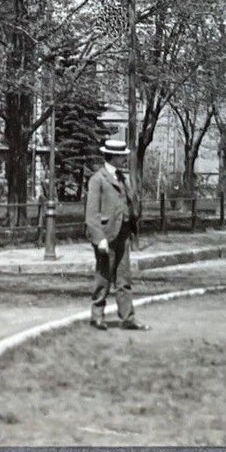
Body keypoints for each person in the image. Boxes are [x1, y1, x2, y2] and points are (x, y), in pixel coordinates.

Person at [85, 134, 147, 332]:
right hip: (106, 235)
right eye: (121, 156)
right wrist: (99, 239)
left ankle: (127, 317)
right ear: (111, 157)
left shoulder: (121, 178)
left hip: (123, 234)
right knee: (103, 277)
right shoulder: (98, 180)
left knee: (124, 278)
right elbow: (91, 214)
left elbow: (127, 204)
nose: (124, 159)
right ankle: (97, 316)